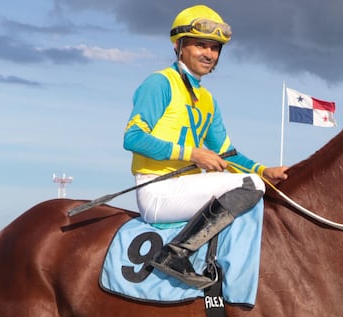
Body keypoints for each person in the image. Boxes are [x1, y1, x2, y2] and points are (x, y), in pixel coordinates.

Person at [123, 4, 288, 288]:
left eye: (215, 48)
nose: (209, 54)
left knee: (258, 182)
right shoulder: (159, 83)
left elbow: (227, 154)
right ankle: (176, 253)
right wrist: (193, 154)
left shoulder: (208, 100)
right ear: (179, 46)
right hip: (156, 189)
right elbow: (133, 138)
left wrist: (264, 170)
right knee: (252, 185)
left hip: (183, 189)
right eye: (201, 45)